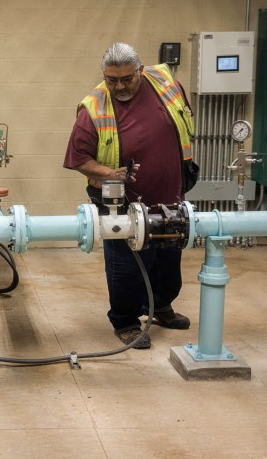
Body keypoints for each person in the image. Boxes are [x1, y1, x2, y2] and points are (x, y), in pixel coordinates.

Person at [63, 42, 195, 349]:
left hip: (169, 198)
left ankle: (160, 307)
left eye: (126, 79)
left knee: (167, 261)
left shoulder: (165, 82)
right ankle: (125, 321)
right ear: (104, 75)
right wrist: (111, 174)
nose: (119, 86)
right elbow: (78, 159)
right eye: (112, 80)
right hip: (123, 208)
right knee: (127, 268)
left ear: (141, 70)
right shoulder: (93, 107)